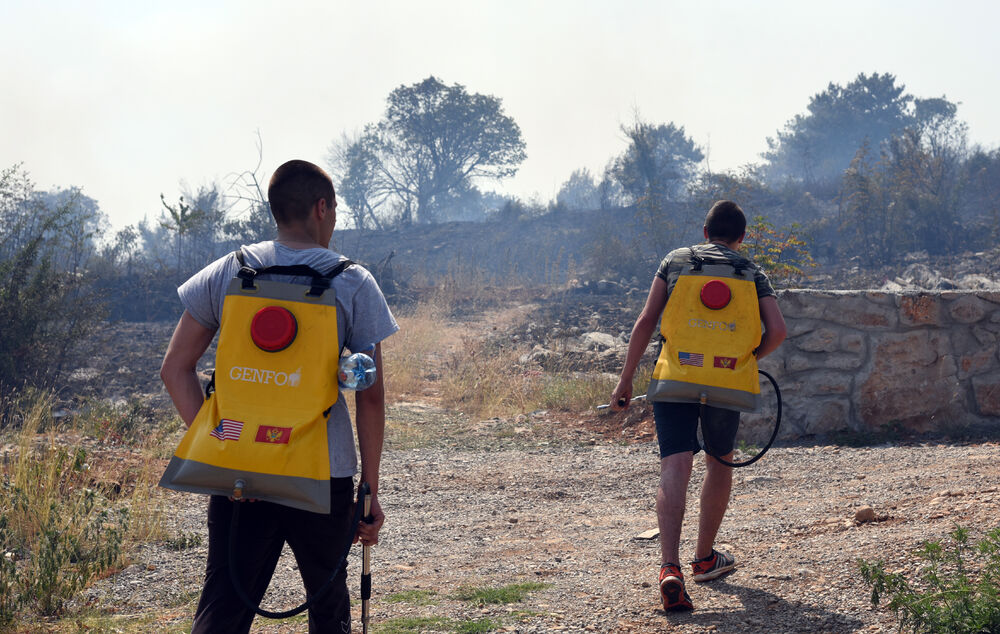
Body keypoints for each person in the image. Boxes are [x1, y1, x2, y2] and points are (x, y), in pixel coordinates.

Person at [160, 159, 398, 633]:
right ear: (321, 207)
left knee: (224, 607)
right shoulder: (351, 281)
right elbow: (368, 395)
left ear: (275, 211)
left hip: (241, 474)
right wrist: (367, 488)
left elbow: (175, 369)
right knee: (327, 607)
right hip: (322, 474)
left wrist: (222, 447)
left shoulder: (231, 270)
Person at [609, 200, 787, 612]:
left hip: (675, 377)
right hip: (727, 380)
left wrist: (625, 379)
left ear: (704, 233)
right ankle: (705, 558)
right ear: (741, 238)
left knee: (675, 464)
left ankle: (669, 567)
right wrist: (745, 360)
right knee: (720, 461)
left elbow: (646, 320)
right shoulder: (752, 272)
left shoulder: (676, 260)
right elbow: (777, 330)